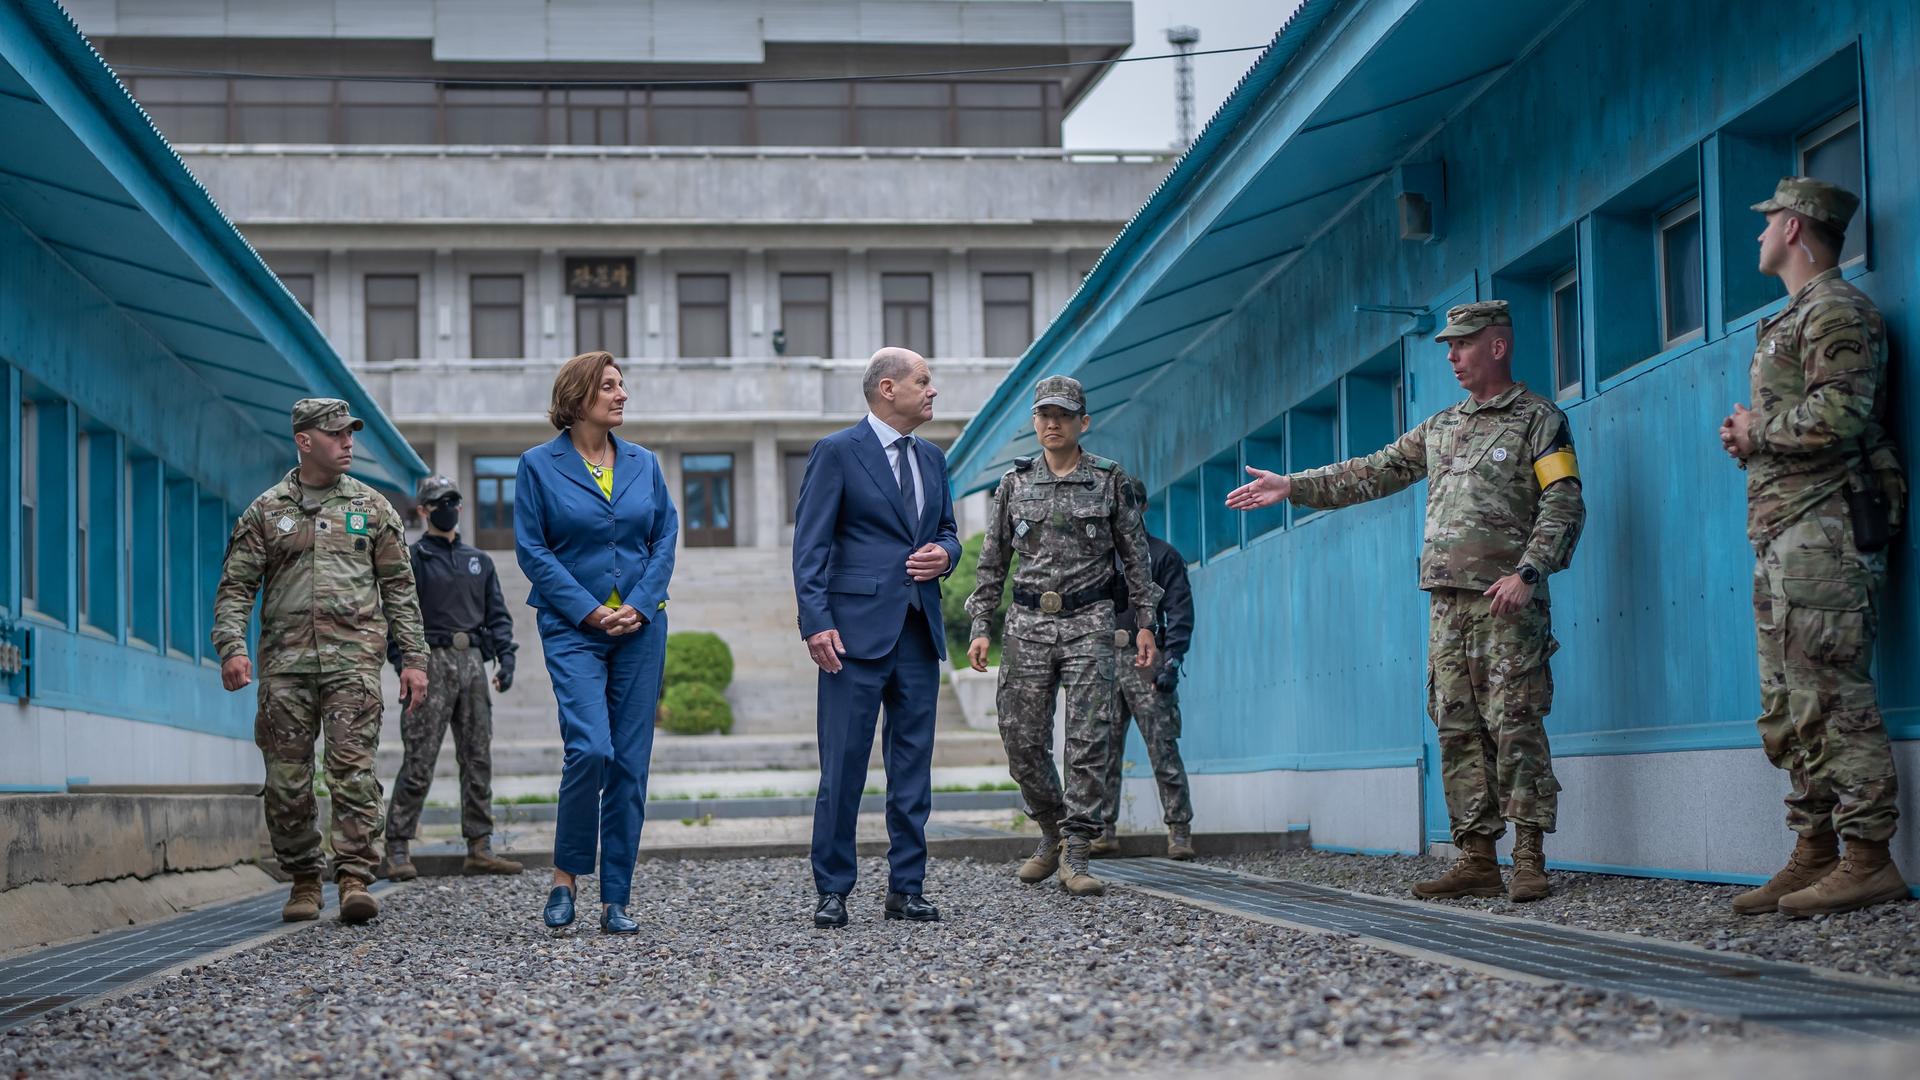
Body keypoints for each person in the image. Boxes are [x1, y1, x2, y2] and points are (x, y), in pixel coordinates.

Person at [1227, 300, 1585, 903]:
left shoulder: (1537, 421)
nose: (1451, 355)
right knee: (1455, 727)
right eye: (1447, 346)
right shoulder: (1441, 428)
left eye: (1463, 344)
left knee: (1515, 724)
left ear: (1497, 347)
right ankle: (1476, 857)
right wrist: (1293, 486)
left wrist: (1530, 571)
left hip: (1507, 602)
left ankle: (1529, 857)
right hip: (1446, 606)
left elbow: (1564, 503)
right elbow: (1374, 471)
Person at [1720, 177, 1907, 917]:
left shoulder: (1836, 310)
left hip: (1824, 532)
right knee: (1790, 701)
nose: (1759, 235)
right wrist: (1752, 436)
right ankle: (1815, 848)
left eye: (1768, 223)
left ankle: (1868, 858)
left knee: (1833, 692)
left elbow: (1845, 410)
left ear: (1795, 229)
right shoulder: (1795, 316)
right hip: (1784, 531)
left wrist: (1754, 432)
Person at [212, 397, 429, 924]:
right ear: (304, 441)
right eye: (336, 435)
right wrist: (232, 647)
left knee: (352, 774)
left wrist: (414, 659)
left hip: (353, 665)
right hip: (285, 669)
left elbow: (400, 591)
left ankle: (354, 877)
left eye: (351, 434)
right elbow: (236, 587)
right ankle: (305, 880)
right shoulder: (266, 511)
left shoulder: (374, 509)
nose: (348, 443)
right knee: (287, 780)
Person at [966, 375, 1160, 898]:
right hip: (1027, 625)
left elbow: (1135, 555)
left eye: (1063, 416)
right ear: (1035, 423)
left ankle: (1077, 850)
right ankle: (1051, 831)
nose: (1052, 424)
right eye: (1044, 415)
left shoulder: (1108, 479)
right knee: (1021, 738)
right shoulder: (1014, 483)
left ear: (1082, 423)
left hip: (1089, 622)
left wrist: (1145, 623)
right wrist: (982, 625)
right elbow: (993, 561)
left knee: (1088, 738)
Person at [792, 347, 961, 929]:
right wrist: (815, 621)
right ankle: (833, 889)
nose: (932, 390)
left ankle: (906, 887)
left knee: (913, 766)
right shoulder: (838, 453)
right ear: (888, 389)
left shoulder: (934, 459)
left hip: (918, 630)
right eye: (923, 381)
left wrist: (947, 554)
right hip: (851, 636)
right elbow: (810, 547)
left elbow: (947, 531)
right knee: (842, 766)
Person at [514, 351, 677, 934]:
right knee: (591, 750)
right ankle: (565, 877)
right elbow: (533, 551)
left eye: (622, 384)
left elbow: (665, 538)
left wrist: (637, 603)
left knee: (630, 764)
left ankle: (617, 899)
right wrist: (588, 611)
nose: (622, 394)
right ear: (579, 397)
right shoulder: (537, 465)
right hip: (571, 627)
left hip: (641, 627)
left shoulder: (644, 463)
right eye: (609, 386)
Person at [378, 474, 522, 882]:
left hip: (473, 663)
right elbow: (395, 619)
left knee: (478, 756)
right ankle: (398, 847)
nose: (450, 508)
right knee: (419, 759)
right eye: (441, 501)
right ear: (423, 509)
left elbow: (498, 617)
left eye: (455, 500)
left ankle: (479, 847)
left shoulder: (480, 561)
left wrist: (505, 659)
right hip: (430, 663)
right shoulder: (411, 559)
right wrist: (404, 664)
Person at [1090, 475, 1195, 860]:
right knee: (1100, 751)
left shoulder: (1163, 556)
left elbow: (1180, 614)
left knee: (1162, 747)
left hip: (1147, 661)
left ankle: (1179, 832)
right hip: (1102, 662)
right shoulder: (1098, 559)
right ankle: (1102, 830)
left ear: (1144, 507)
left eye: (1131, 504)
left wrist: (1173, 661)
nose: (1124, 513)